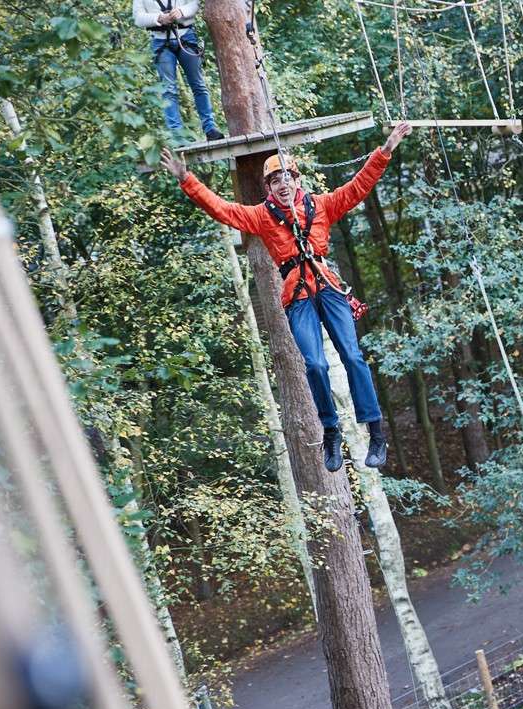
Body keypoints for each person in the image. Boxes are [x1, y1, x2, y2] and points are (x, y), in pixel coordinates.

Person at [158, 122, 413, 471]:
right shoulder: (263, 216)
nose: (283, 184)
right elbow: (223, 210)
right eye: (275, 180)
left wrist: (386, 149)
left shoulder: (321, 205)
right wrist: (186, 179)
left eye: (287, 178)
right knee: (316, 364)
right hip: (297, 295)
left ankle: (376, 432)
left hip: (327, 287)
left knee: (352, 356)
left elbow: (359, 186)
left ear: (297, 180)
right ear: (268, 187)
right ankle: (331, 432)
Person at [133, 0, 224, 141]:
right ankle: (176, 136)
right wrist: (158, 18)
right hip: (160, 40)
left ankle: (210, 128)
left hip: (186, 35)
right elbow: (138, 18)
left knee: (198, 84)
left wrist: (181, 11)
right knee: (168, 90)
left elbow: (195, 4)